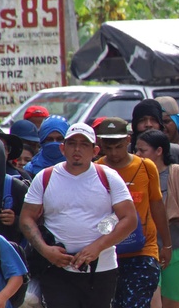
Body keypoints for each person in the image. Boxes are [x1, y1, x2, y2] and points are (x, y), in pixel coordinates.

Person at [19, 123, 138, 308]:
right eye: (72, 143)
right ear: (62, 148)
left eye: (84, 144)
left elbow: (129, 219)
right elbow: (26, 218)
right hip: (55, 270)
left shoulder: (109, 177)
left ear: (95, 150)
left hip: (101, 269)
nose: (77, 149)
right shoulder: (45, 177)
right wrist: (46, 251)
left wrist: (97, 247)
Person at [95, 117, 172, 308]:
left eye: (118, 147)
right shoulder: (96, 170)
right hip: (107, 252)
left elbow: (157, 205)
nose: (113, 153)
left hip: (143, 251)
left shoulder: (146, 167)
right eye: (108, 147)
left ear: (128, 140)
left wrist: (167, 245)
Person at [134, 129, 179, 308]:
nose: (137, 154)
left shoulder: (178, 172)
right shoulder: (135, 174)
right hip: (146, 249)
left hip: (177, 247)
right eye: (136, 150)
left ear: (159, 151)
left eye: (142, 150)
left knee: (172, 303)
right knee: (152, 302)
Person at [131, 100, 179, 182]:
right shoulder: (126, 152)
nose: (148, 124)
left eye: (154, 120)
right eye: (142, 120)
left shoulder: (176, 152)